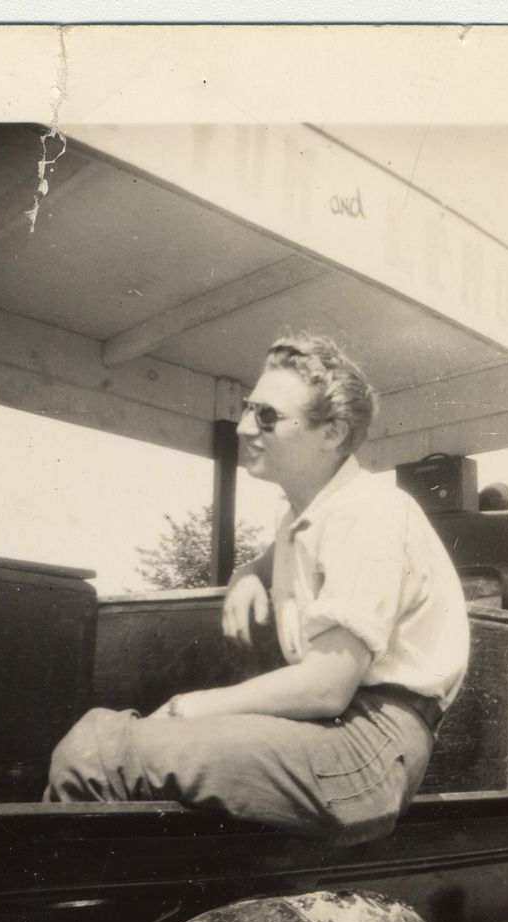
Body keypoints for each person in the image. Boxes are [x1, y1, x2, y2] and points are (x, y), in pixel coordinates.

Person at [44, 335, 470, 845]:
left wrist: (192, 706)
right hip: (340, 731)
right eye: (249, 409)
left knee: (100, 752)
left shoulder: (371, 512)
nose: (245, 427)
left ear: (331, 432)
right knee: (100, 735)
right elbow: (281, 555)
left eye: (267, 416)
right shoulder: (304, 510)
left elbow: (326, 686)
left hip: (368, 748)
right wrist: (248, 574)